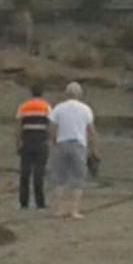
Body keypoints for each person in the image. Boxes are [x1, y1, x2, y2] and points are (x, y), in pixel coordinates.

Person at [48, 82, 97, 219]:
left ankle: (58, 209)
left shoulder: (59, 108)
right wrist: (93, 148)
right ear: (80, 94)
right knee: (78, 178)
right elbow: (91, 131)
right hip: (78, 145)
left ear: (66, 93)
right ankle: (74, 210)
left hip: (62, 143)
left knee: (59, 178)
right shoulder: (85, 109)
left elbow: (52, 127)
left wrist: (53, 141)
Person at [15, 84, 51, 210]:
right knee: (39, 173)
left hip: (27, 141)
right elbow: (49, 125)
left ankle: (23, 202)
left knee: (25, 172)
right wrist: (50, 140)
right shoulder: (45, 106)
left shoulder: (24, 106)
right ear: (42, 93)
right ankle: (39, 202)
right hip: (41, 142)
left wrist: (18, 142)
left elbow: (19, 126)